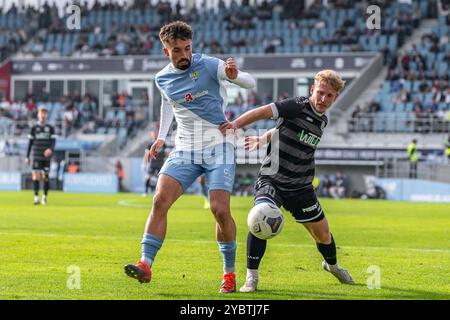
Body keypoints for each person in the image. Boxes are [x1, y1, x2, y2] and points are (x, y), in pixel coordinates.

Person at [124, 21, 255, 293]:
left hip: (219, 144)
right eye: (177, 51)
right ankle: (145, 264)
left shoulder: (209, 64)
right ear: (165, 52)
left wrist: (234, 76)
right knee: (160, 200)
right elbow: (168, 104)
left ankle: (229, 273)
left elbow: (250, 82)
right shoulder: (162, 78)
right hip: (185, 148)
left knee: (220, 210)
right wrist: (161, 136)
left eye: (187, 48)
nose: (184, 55)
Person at [220, 69, 354, 292]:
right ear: (312, 89)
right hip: (272, 179)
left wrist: (265, 137)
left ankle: (332, 266)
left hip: (301, 186)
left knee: (323, 236)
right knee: (260, 216)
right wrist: (236, 124)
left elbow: (285, 127)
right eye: (320, 93)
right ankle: (251, 277)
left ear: (335, 97)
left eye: (329, 96)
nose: (322, 99)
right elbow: (263, 112)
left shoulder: (323, 121)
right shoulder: (297, 105)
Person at [25, 106, 56, 205]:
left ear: (47, 115)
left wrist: (50, 149)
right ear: (38, 114)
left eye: (45, 113)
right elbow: (30, 143)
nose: (43, 115)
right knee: (36, 176)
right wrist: (27, 156)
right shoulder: (34, 128)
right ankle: (36, 197)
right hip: (37, 155)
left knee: (46, 176)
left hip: (46, 157)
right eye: (42, 113)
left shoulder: (50, 128)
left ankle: (44, 197)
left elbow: (53, 141)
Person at [142, 131, 166, 197]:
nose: (154, 135)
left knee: (161, 178)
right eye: (153, 134)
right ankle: (145, 192)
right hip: (153, 163)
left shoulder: (162, 143)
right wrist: (144, 163)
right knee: (148, 177)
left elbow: (165, 153)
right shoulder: (150, 144)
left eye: (155, 134)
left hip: (160, 163)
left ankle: (158, 192)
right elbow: (146, 154)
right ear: (152, 135)